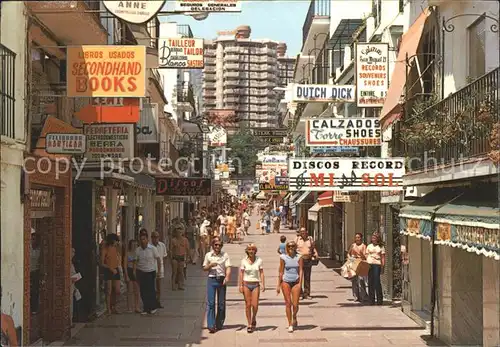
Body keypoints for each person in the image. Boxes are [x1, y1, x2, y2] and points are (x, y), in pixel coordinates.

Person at [203, 238, 231, 334]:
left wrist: (227, 277)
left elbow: (228, 267)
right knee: (211, 303)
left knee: (221, 304)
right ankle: (211, 325)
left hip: (221, 280)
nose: (217, 247)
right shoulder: (208, 255)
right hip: (211, 279)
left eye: (219, 245)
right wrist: (210, 265)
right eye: (216, 245)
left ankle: (219, 323)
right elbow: (204, 268)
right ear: (212, 245)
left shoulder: (225, 255)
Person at [277, 241, 303, 333]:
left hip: (296, 282)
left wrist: (300, 283)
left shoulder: (299, 257)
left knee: (295, 304)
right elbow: (281, 271)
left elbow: (300, 270)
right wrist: (278, 285)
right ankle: (290, 323)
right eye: (289, 246)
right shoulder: (283, 257)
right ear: (287, 248)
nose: (291, 248)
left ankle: (294, 316)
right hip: (286, 281)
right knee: (288, 303)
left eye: (293, 246)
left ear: (295, 247)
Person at [239, 244, 265, 333]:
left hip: (255, 284)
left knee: (255, 304)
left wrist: (263, 284)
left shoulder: (259, 260)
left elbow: (261, 272)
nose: (251, 251)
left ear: (255, 251)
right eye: (249, 249)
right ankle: (249, 324)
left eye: (252, 249)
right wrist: (241, 285)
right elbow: (241, 273)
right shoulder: (243, 261)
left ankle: (254, 317)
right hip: (246, 283)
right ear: (247, 251)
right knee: (248, 304)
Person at [134, 231, 161, 315]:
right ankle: (146, 308)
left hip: (150, 271)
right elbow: (135, 261)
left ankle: (152, 307)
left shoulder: (152, 249)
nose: (142, 241)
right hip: (141, 272)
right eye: (141, 239)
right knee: (143, 291)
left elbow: (158, 259)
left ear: (147, 239)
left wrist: (159, 271)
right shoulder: (138, 250)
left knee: (150, 290)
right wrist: (134, 271)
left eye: (144, 239)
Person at [295, 227, 318, 300]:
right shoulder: (297, 239)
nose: (302, 233)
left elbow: (313, 248)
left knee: (307, 277)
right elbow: (292, 248)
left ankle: (307, 293)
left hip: (308, 260)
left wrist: (316, 253)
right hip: (299, 260)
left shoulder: (310, 239)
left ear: (306, 232)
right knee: (299, 277)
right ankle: (300, 293)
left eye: (304, 231)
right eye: (301, 231)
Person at [101, 233, 121, 314]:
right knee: (109, 290)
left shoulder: (116, 248)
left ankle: (114, 306)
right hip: (108, 270)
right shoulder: (105, 249)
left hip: (116, 269)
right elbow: (102, 263)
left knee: (117, 290)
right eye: (116, 241)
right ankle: (108, 308)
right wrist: (110, 268)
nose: (117, 242)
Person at [348, 233, 368, 303]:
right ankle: (356, 296)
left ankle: (363, 296)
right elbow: (348, 253)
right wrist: (350, 259)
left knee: (361, 280)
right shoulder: (353, 245)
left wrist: (361, 255)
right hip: (354, 262)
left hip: (361, 263)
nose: (357, 239)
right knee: (354, 280)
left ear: (361, 238)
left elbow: (365, 256)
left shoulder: (363, 246)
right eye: (356, 237)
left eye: (358, 237)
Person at [366, 233, 386, 305]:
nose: (373, 239)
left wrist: (383, 266)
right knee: (370, 282)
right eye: (372, 238)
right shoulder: (369, 246)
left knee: (377, 282)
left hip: (377, 264)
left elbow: (383, 257)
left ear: (377, 238)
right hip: (369, 264)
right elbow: (366, 255)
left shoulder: (381, 247)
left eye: (374, 238)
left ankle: (379, 300)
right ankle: (371, 300)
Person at [151, 232, 168, 308]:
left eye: (157, 237)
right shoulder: (149, 247)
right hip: (151, 268)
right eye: (154, 237)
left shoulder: (162, 245)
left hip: (160, 268)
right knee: (152, 286)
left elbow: (164, 257)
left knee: (159, 287)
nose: (156, 239)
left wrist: (162, 267)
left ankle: (158, 301)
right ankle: (152, 301)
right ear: (151, 238)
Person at [124, 239, 141, 313]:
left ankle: (137, 307)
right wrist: (126, 275)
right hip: (129, 270)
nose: (134, 246)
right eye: (133, 244)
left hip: (137, 271)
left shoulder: (138, 253)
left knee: (137, 291)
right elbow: (125, 265)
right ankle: (129, 307)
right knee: (130, 291)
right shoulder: (127, 254)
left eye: (136, 245)